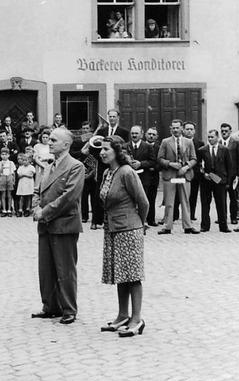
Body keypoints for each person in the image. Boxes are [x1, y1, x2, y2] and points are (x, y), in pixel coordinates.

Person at [32, 128, 85, 325]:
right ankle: (50, 305)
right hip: (45, 225)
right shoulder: (48, 166)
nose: (50, 142)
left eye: (54, 140)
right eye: (50, 139)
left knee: (65, 269)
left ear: (66, 144)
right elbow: (37, 190)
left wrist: (44, 212)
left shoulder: (75, 166)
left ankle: (69, 308)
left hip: (64, 224)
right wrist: (36, 206)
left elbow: (69, 197)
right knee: (46, 269)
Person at [97, 136, 149, 337]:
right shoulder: (108, 172)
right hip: (112, 228)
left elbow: (143, 202)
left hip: (129, 229)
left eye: (106, 149)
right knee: (120, 274)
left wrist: (140, 223)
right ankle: (122, 315)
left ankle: (137, 319)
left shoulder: (127, 172)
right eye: (101, 149)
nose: (102, 152)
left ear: (117, 151)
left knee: (132, 275)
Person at [157, 119, 200, 235]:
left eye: (177, 128)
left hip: (184, 175)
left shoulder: (188, 142)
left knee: (185, 200)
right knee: (169, 202)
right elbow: (159, 158)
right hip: (170, 175)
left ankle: (188, 226)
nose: (175, 130)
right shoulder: (165, 142)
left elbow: (194, 158)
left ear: (182, 128)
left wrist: (186, 167)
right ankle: (167, 226)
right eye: (173, 128)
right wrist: (170, 164)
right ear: (171, 129)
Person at [199, 129, 232, 233]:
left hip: (220, 181)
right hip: (206, 181)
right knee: (205, 204)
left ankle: (223, 226)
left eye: (212, 137)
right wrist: (204, 174)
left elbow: (229, 166)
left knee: (221, 204)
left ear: (217, 137)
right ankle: (204, 226)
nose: (210, 139)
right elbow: (199, 166)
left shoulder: (225, 150)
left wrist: (228, 182)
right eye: (208, 137)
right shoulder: (202, 150)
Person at [128, 125, 156, 219]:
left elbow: (152, 161)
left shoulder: (148, 146)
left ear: (141, 134)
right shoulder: (125, 146)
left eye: (136, 133)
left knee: (143, 200)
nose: (134, 135)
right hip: (129, 178)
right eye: (132, 133)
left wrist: (141, 164)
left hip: (144, 178)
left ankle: (143, 220)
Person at [220, 123, 239, 224]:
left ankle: (233, 217)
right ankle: (222, 217)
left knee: (233, 197)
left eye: (226, 131)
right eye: (222, 131)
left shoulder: (236, 142)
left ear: (230, 131)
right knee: (221, 198)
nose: (224, 133)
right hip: (221, 175)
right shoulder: (218, 142)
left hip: (232, 175)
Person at [145, 127, 161, 226]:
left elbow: (160, 161)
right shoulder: (141, 146)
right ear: (145, 135)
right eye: (149, 134)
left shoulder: (159, 148)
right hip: (142, 175)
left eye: (153, 134)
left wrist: (154, 168)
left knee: (152, 198)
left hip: (153, 176)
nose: (151, 136)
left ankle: (151, 219)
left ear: (157, 137)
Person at [0, 147, 16, 217]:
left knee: (9, 195)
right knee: (3, 194)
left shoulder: (11, 163)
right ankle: (4, 209)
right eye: (2, 154)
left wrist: (13, 180)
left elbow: (13, 173)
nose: (4, 156)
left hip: (9, 177)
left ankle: (9, 209)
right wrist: (2, 167)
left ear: (8, 155)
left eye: (5, 154)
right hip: (2, 177)